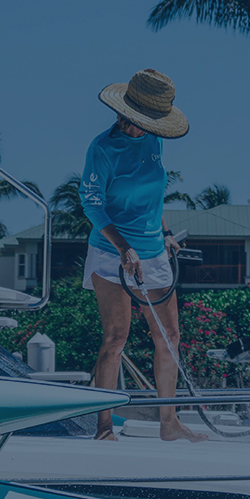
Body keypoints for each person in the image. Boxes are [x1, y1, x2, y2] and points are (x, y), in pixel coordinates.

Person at [80, 68, 208, 443]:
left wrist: (165, 233)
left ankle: (169, 423)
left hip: (154, 253)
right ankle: (104, 427)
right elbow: (91, 204)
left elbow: (153, 196)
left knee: (169, 337)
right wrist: (123, 247)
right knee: (117, 337)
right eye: (142, 122)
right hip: (110, 252)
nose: (146, 128)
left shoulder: (154, 142)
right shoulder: (101, 148)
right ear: (125, 114)